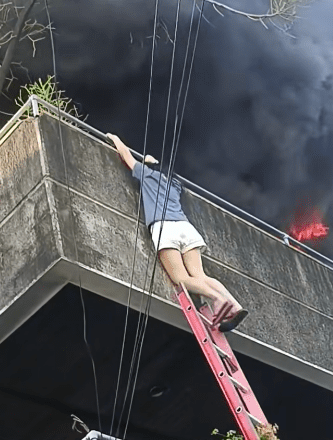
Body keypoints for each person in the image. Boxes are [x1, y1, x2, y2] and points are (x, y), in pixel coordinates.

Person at [106, 133, 248, 332]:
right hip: (185, 227)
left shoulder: (146, 174)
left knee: (180, 278)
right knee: (200, 275)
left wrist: (115, 138)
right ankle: (234, 304)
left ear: (149, 165)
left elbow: (126, 155)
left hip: (165, 228)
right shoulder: (174, 184)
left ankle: (217, 300)